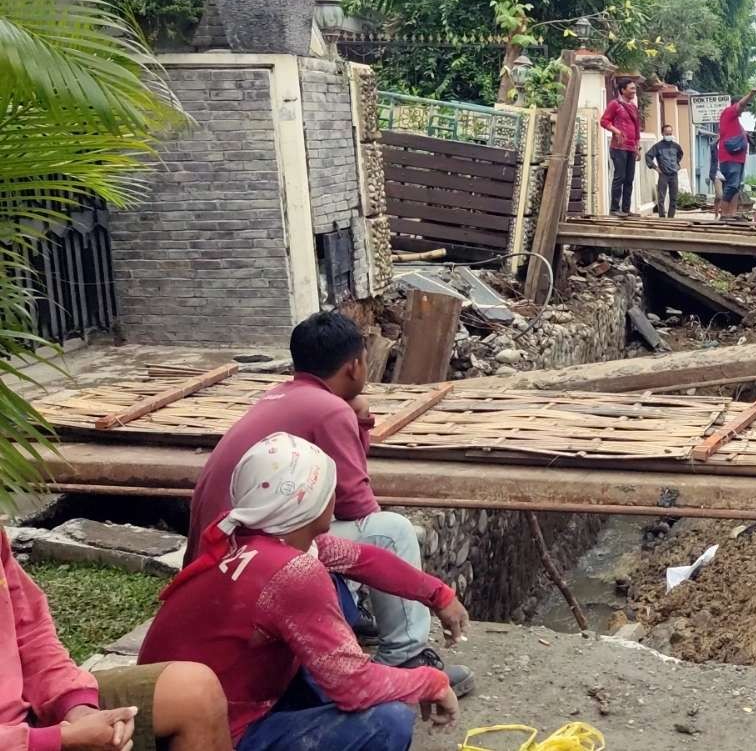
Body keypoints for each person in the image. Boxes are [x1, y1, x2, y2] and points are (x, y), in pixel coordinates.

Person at [185, 311, 472, 695]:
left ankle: (350, 615)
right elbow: (356, 503)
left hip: (220, 543)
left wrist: (361, 422)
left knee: (338, 528)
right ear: (354, 365)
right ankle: (406, 655)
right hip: (249, 547)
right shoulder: (330, 409)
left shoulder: (282, 395)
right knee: (391, 531)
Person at [143, 433, 468, 750]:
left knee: (325, 658)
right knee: (387, 722)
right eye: (328, 486)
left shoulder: (243, 537)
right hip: (217, 731)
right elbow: (354, 687)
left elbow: (363, 559)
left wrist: (439, 595)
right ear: (309, 499)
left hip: (173, 713)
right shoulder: (293, 572)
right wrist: (430, 682)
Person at [0, 528, 233, 751]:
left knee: (194, 692)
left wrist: (76, 705)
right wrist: (54, 740)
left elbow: (28, 627)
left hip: (25, 715)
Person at [600, 78, 642, 216]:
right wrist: (616, 131)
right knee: (620, 177)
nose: (634, 91)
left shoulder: (634, 107)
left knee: (629, 178)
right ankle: (614, 209)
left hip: (631, 147)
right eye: (631, 88)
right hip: (618, 147)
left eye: (634, 89)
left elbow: (636, 129)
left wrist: (637, 146)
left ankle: (626, 209)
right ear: (623, 90)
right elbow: (604, 121)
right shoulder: (615, 104)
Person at [716, 88, 756, 217]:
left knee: (735, 187)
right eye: (744, 107)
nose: (745, 110)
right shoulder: (729, 113)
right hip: (730, 159)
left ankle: (732, 215)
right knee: (732, 185)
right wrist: (751, 94)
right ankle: (723, 213)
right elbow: (740, 106)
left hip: (738, 160)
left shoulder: (736, 122)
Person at [645, 124, 685, 218]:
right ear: (662, 133)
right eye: (667, 133)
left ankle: (671, 217)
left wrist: (677, 164)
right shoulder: (658, 146)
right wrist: (655, 167)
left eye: (670, 133)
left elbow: (680, 154)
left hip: (674, 174)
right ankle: (662, 217)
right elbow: (648, 156)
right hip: (663, 174)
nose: (669, 135)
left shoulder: (676, 146)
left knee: (674, 197)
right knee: (661, 197)